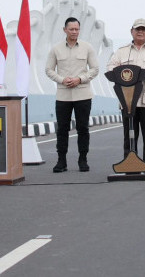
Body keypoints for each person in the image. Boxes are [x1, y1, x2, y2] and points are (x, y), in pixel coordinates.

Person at [106, 18, 145, 167]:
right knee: (130, 135)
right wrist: (121, 75)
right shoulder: (122, 51)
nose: (140, 32)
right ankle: (129, 165)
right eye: (137, 29)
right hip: (128, 100)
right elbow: (110, 68)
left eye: (143, 30)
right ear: (131, 31)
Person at [45, 17, 99, 173]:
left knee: (83, 128)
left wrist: (79, 79)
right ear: (65, 30)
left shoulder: (87, 47)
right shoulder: (56, 49)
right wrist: (62, 80)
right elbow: (49, 70)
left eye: (77, 29)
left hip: (83, 94)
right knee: (62, 129)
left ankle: (83, 159)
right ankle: (61, 161)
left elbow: (94, 69)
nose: (74, 32)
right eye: (71, 29)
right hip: (63, 96)